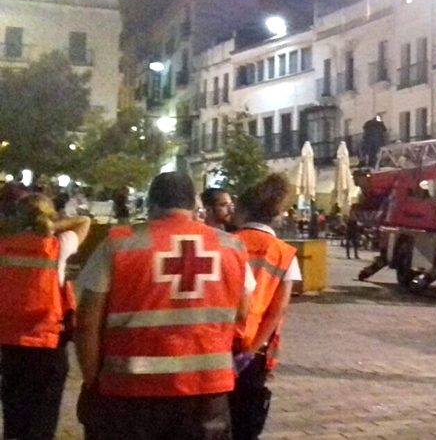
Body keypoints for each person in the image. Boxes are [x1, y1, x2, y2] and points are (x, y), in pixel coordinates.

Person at [75, 171, 254, 440]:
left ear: (150, 204)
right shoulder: (232, 246)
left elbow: (87, 322)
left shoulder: (118, 244)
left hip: (129, 390)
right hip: (206, 390)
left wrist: (92, 380)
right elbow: (242, 311)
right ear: (195, 205)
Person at [0, 193, 90, 440]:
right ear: (49, 217)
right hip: (47, 344)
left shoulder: (4, 245)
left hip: (9, 344)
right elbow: (84, 221)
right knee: (42, 419)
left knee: (14, 415)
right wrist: (52, 226)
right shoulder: (58, 247)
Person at [229, 174, 301, 440]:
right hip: (255, 350)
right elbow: (277, 310)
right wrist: (252, 350)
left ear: (244, 211)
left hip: (219, 342)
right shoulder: (284, 253)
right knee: (246, 423)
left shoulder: (227, 242)